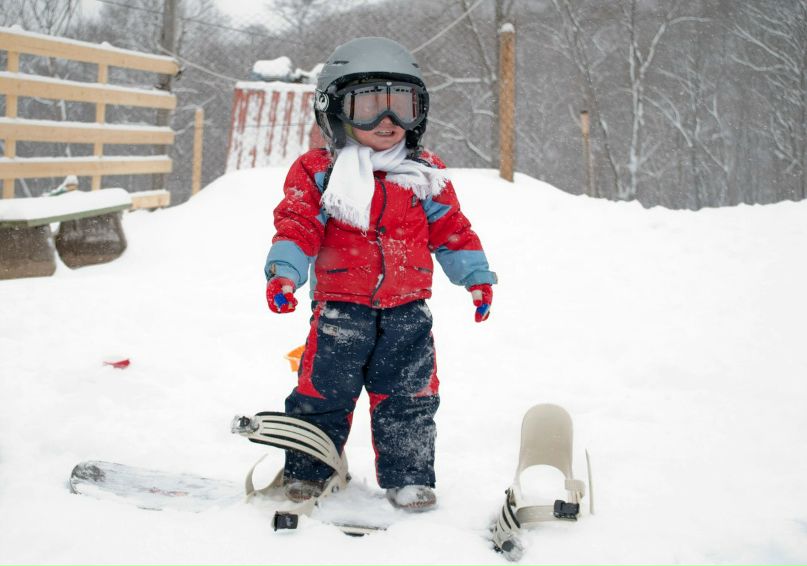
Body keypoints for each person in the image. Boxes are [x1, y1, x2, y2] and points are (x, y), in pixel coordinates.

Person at [264, 36, 497, 512]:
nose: (387, 122)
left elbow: (451, 229)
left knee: (410, 398)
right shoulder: (320, 172)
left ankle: (409, 476)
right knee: (322, 393)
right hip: (341, 313)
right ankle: (309, 470)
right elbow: (298, 223)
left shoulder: (425, 173)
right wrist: (285, 272)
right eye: (369, 105)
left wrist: (476, 277)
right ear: (335, 110)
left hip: (408, 313)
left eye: (401, 106)